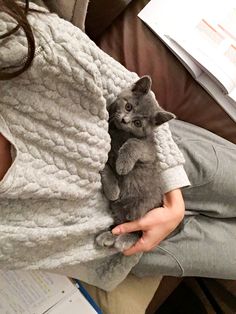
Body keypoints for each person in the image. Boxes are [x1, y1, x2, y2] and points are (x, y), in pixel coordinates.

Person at [0, 1, 235, 314]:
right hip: (131, 243)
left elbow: (118, 80)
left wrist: (173, 190)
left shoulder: (14, 39)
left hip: (159, 154)